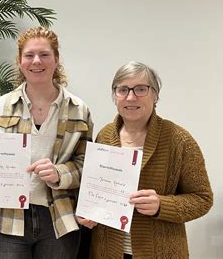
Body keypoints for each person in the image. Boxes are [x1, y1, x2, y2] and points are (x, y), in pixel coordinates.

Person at [0, 26, 94, 259]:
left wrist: (59, 173)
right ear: (20, 61)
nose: (37, 61)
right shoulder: (2, 107)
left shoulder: (79, 110)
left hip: (59, 219)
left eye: (44, 54)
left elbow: (86, 165)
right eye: (29, 55)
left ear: (56, 60)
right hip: (8, 218)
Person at [77, 61, 213, 258]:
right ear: (115, 96)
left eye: (141, 89)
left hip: (160, 253)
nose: (131, 97)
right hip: (107, 251)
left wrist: (161, 205)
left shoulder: (179, 140)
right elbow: (96, 191)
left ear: (155, 95)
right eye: (123, 89)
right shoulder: (104, 136)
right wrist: (89, 211)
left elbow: (203, 199)